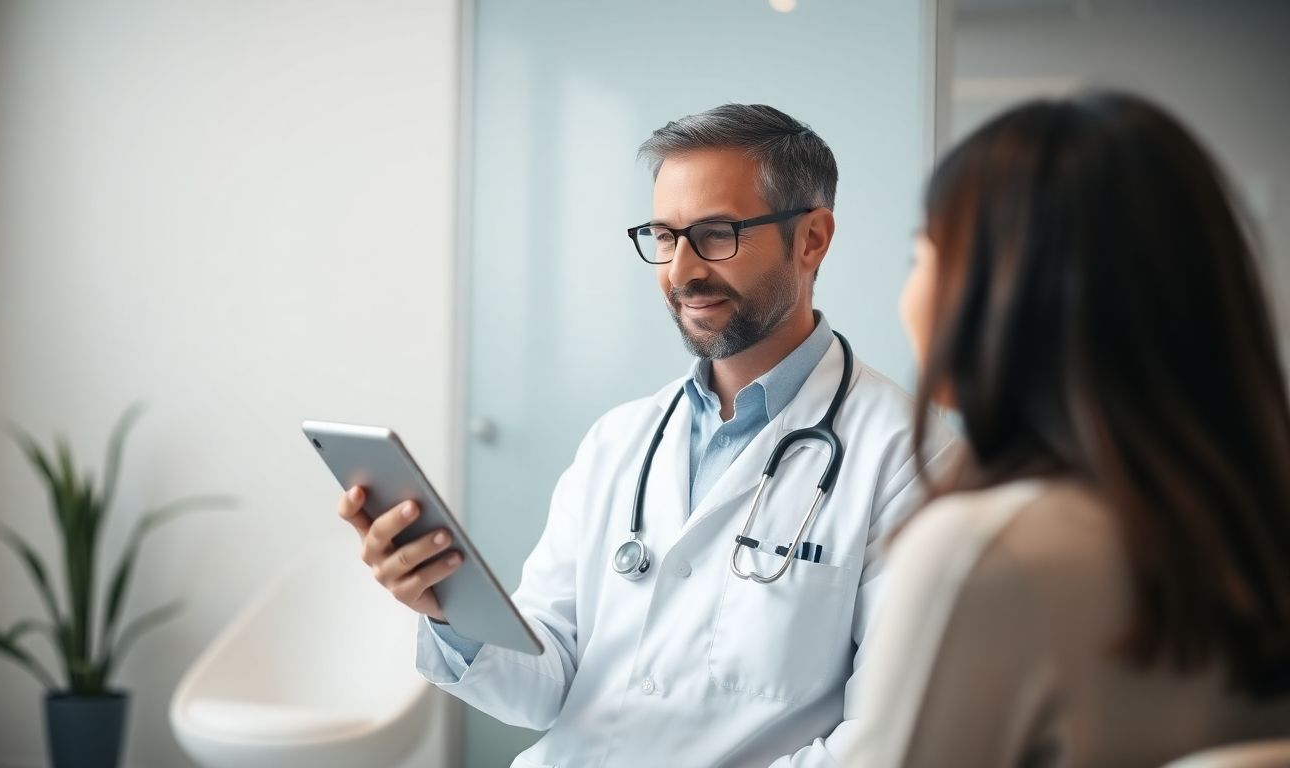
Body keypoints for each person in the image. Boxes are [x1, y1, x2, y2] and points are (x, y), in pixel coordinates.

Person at [337, 103, 960, 765]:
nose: (681, 271)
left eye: (717, 234)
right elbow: (545, 688)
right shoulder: (620, 440)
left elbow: (884, 741)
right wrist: (448, 611)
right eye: (665, 237)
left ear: (811, 240)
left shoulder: (909, 457)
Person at [839, 91, 1290, 766]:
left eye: (921, 256)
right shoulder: (1252, 535)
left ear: (1004, 291)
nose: (911, 292)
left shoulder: (984, 553)